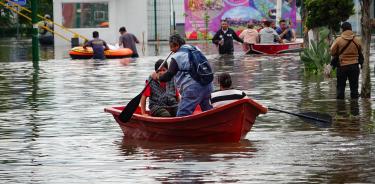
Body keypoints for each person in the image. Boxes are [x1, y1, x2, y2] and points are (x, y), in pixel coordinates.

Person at [151, 34, 213, 116]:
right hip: (208, 85)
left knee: (182, 115)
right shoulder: (195, 49)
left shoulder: (177, 56)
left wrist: (158, 77)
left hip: (193, 90)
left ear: (176, 45)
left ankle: (179, 128)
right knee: (208, 112)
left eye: (171, 47)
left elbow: (169, 75)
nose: (171, 50)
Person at [328, 22, 362, 99]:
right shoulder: (357, 40)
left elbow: (332, 52)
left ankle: (340, 108)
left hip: (342, 66)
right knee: (354, 90)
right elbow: (360, 50)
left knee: (340, 89)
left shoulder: (338, 40)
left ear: (342, 29)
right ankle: (355, 108)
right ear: (351, 29)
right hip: (354, 66)